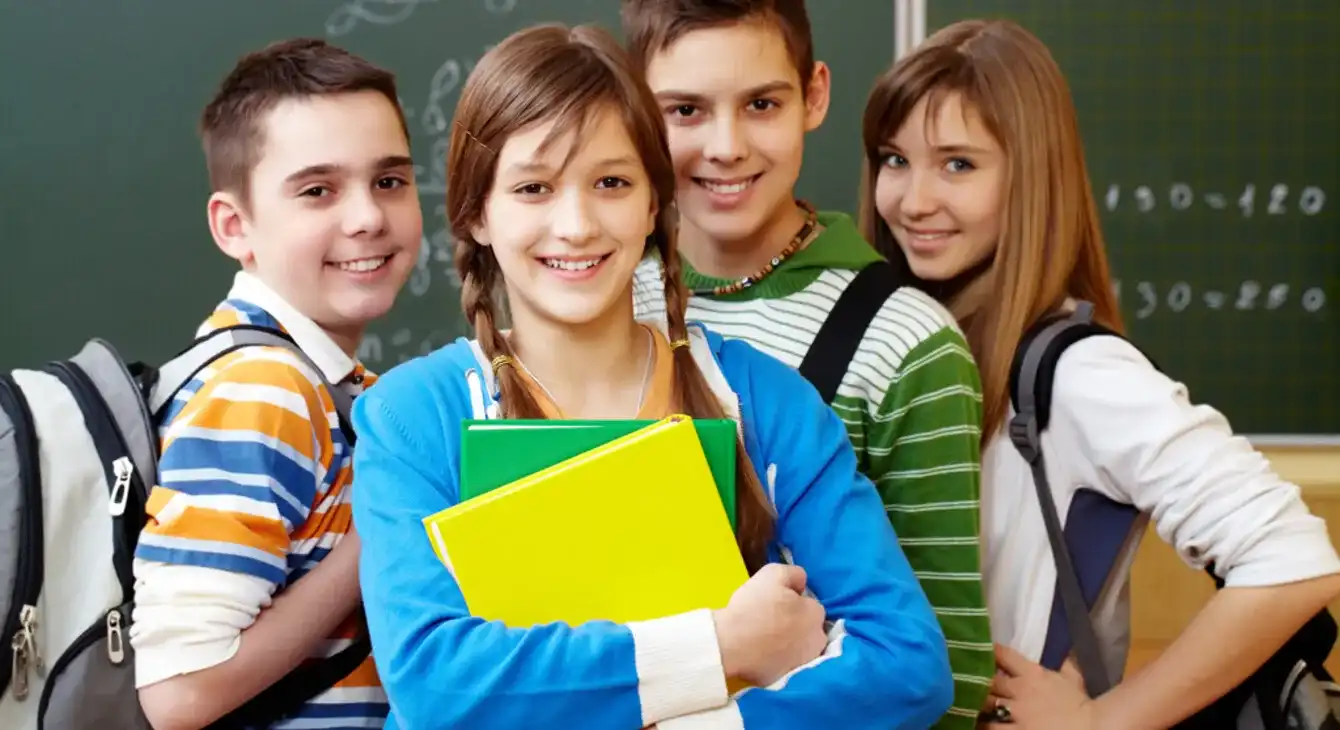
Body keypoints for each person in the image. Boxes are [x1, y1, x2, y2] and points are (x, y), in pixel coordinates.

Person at [350, 21, 953, 730]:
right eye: (534, 187)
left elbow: (907, 664)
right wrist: (723, 646)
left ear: (651, 203)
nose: (575, 225)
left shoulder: (764, 401)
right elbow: (435, 685)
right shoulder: (413, 417)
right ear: (478, 213)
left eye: (610, 182)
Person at [860, 18, 1340, 729]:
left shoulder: (1077, 372)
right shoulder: (902, 347)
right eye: (894, 160)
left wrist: (1103, 722)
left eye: (958, 164)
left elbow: (1292, 557)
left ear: (1031, 176)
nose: (913, 200)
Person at [618, 3, 994, 726]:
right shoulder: (591, 294)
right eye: (686, 110)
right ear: (636, 108)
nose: (725, 146)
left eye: (761, 104)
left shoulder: (905, 341)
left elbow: (946, 663)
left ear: (814, 95)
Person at [131, 38, 422, 730]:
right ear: (235, 225)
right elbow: (180, 692)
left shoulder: (331, 385)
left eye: (390, 181)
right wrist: (389, 528)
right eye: (318, 190)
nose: (367, 217)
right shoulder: (263, 389)